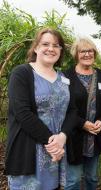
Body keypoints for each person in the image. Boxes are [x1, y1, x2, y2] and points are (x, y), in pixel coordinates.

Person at [4, 28, 77, 189]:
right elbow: (22, 112)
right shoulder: (21, 73)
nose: (51, 48)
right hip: (29, 151)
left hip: (55, 153)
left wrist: (63, 137)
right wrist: (52, 143)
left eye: (56, 45)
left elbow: (73, 111)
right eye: (45, 44)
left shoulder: (64, 79)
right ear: (36, 48)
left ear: (60, 51)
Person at [64, 37, 101, 190]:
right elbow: (63, 108)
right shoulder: (66, 77)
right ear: (76, 54)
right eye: (83, 51)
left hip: (95, 137)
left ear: (94, 53)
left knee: (92, 178)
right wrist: (82, 124)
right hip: (73, 137)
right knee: (72, 181)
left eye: (90, 51)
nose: (87, 54)